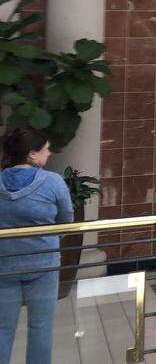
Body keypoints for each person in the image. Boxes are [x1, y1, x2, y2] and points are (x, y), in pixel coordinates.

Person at [0, 128, 73, 364]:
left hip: (4, 266)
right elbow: (66, 221)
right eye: (45, 149)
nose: (49, 153)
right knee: (40, 328)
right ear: (32, 154)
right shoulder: (53, 183)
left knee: (2, 329)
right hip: (44, 265)